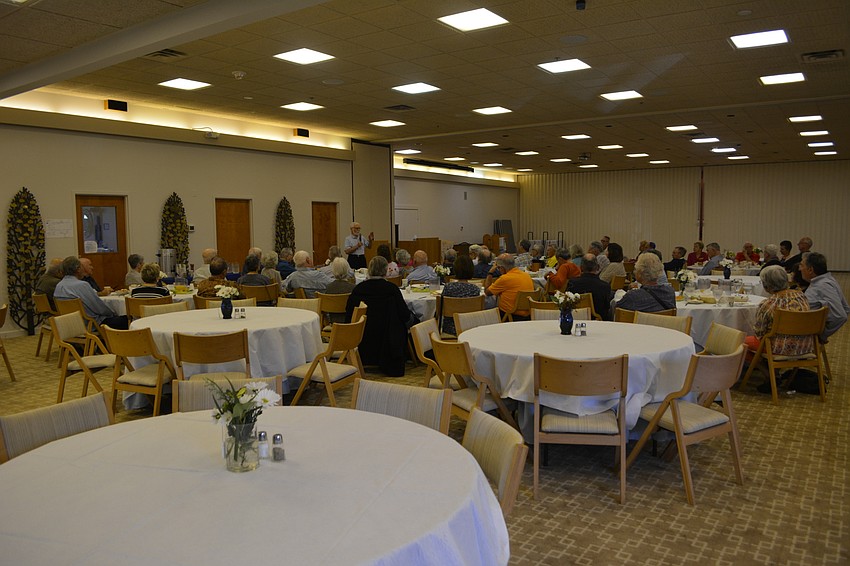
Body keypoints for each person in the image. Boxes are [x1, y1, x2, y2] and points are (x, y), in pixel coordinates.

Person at [745, 265, 813, 393]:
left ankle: (770, 375)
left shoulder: (769, 304)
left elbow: (759, 332)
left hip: (779, 348)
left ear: (766, 286)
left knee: (740, 343)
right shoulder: (802, 296)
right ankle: (773, 372)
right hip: (805, 344)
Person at [345, 256, 416, 377]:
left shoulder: (358, 289)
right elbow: (404, 314)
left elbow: (349, 315)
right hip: (388, 338)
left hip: (364, 337)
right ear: (385, 270)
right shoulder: (392, 289)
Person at [54, 256, 128, 329]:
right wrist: (113, 313)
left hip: (71, 325)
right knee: (128, 319)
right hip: (91, 324)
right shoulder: (82, 285)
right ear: (78, 269)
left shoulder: (59, 286)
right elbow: (98, 307)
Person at [800, 252, 849, 340]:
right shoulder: (825, 281)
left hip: (805, 335)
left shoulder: (823, 286)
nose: (800, 269)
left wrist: (820, 335)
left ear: (810, 269)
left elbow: (840, 316)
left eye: (802, 265)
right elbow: (845, 308)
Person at [485, 254, 534, 318]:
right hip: (528, 314)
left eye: (498, 268)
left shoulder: (505, 278)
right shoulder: (526, 275)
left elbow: (487, 292)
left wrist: (490, 273)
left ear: (502, 268)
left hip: (510, 315)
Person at [441, 255, 480, 335]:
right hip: (470, 328)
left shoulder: (448, 287)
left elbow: (441, 308)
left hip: (450, 328)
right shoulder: (475, 289)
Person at [567, 254, 613, 321]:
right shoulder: (605, 286)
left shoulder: (572, 283)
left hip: (576, 319)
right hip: (599, 321)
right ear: (597, 267)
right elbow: (606, 308)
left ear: (581, 267)